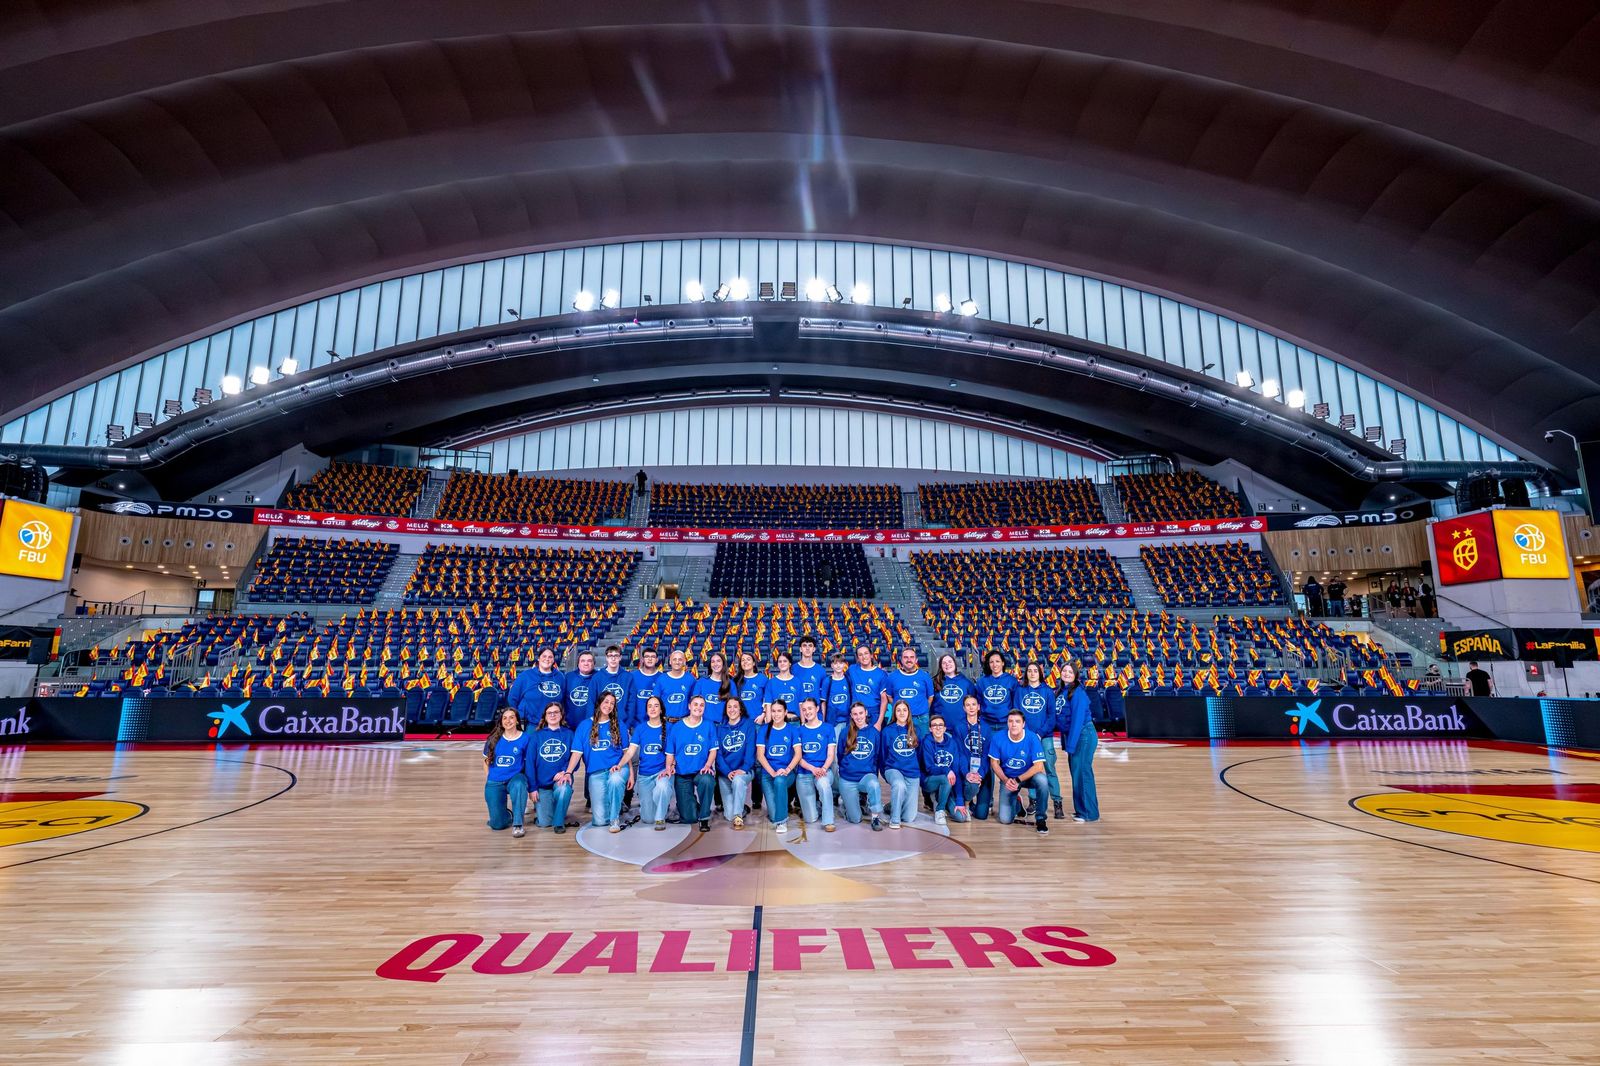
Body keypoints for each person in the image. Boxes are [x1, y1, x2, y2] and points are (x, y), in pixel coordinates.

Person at [567, 691, 636, 832]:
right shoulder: (584, 726)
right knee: (599, 821)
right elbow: (576, 753)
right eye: (606, 702)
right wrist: (568, 772)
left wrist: (630, 774)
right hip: (596, 773)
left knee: (615, 780)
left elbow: (626, 752)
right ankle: (615, 801)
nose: (609, 705)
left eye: (612, 703)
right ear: (599, 703)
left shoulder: (619, 725)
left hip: (617, 768)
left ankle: (614, 817)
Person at [987, 709, 1050, 834]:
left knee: (1043, 781)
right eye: (1010, 721)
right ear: (1007, 723)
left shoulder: (1032, 737)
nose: (1013, 724)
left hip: (1028, 777)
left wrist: (1018, 780)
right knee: (1005, 820)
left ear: (1023, 724)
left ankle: (1041, 819)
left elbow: (1038, 766)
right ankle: (1017, 802)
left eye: (1017, 721)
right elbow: (994, 763)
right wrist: (1006, 780)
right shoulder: (998, 738)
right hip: (1009, 779)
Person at [1019, 660, 1063, 820]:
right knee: (1030, 769)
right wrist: (1028, 735)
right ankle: (1033, 801)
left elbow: (1052, 717)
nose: (1032, 673)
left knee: (1050, 769)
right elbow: (1017, 713)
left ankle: (1057, 802)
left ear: (1040, 673)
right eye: (1029, 671)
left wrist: (1040, 733)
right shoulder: (1020, 691)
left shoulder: (1048, 692)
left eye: (1035, 671)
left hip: (1045, 737)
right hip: (1027, 737)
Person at [667, 694, 718, 832]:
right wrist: (669, 767)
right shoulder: (677, 727)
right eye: (695, 704)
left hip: (700, 771)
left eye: (702, 705)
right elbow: (670, 753)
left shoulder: (709, 725)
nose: (698, 707)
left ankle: (705, 817)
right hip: (682, 773)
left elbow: (713, 750)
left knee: (707, 780)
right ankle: (688, 804)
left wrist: (708, 765)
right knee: (689, 818)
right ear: (689, 706)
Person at [1056, 662, 1100, 823]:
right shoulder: (1062, 691)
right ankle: (1081, 810)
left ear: (1075, 675)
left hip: (1083, 735)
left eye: (1070, 671)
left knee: (1082, 773)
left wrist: (1071, 745)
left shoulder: (1078, 693)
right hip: (1074, 736)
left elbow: (1077, 720)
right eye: (1064, 671)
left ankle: (1089, 813)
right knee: (1077, 774)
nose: (1066, 673)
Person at [482, 706, 532, 837]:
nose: (508, 721)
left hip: (515, 777)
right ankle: (506, 815)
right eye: (505, 718)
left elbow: (529, 763)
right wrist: (489, 778)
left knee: (520, 784)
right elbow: (486, 761)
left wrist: (532, 787)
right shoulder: (493, 738)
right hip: (495, 780)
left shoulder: (525, 738)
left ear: (517, 721)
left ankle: (518, 824)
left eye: (511, 717)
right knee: (497, 825)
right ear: (501, 721)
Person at [836, 702, 885, 830]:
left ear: (866, 713)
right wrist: (847, 769)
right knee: (855, 819)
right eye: (855, 714)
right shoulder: (845, 732)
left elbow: (877, 756)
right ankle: (845, 804)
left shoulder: (874, 733)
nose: (858, 717)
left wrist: (873, 775)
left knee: (874, 784)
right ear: (851, 716)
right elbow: (840, 755)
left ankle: (875, 818)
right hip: (848, 779)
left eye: (861, 713)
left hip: (866, 776)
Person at [528, 702, 575, 833]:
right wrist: (532, 788)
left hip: (560, 779)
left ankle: (559, 823)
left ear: (561, 715)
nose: (553, 715)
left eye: (556, 712)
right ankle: (550, 812)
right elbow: (529, 764)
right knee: (544, 823)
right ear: (545, 716)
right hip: (542, 784)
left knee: (564, 788)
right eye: (550, 713)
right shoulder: (536, 736)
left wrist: (565, 771)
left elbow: (574, 759)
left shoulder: (569, 734)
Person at [756, 699, 800, 833]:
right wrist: (772, 772)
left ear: (785, 712)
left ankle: (782, 822)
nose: (776, 714)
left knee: (780, 781)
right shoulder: (764, 730)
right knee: (773, 816)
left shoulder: (792, 730)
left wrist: (786, 770)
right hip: (768, 775)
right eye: (773, 711)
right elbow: (760, 756)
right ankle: (779, 813)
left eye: (779, 711)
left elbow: (798, 754)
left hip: (786, 774)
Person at [794, 697, 837, 832]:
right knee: (810, 819)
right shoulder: (799, 731)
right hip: (805, 773)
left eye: (810, 708)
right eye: (804, 709)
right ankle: (816, 805)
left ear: (817, 708)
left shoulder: (828, 728)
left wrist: (823, 768)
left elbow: (831, 755)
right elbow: (798, 758)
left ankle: (828, 821)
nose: (807, 712)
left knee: (824, 785)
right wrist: (813, 769)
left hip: (824, 771)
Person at [879, 699, 921, 829]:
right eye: (898, 710)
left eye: (904, 710)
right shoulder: (887, 731)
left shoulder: (916, 730)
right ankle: (895, 819)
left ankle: (890, 805)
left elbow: (919, 754)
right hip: (893, 768)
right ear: (894, 713)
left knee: (909, 817)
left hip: (912, 771)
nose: (902, 713)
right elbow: (882, 754)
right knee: (899, 784)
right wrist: (885, 773)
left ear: (909, 712)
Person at [634, 696, 674, 830]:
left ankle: (660, 817)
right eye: (649, 706)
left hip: (662, 772)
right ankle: (656, 807)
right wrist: (620, 765)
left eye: (656, 705)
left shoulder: (669, 728)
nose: (652, 708)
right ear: (646, 711)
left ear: (661, 710)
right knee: (647, 819)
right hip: (644, 775)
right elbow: (630, 752)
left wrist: (670, 767)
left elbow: (674, 752)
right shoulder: (640, 729)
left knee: (662, 787)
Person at [716, 696, 756, 828]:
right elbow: (719, 754)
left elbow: (750, 751)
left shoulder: (749, 724)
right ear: (725, 710)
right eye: (729, 707)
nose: (732, 709)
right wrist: (727, 772)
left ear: (740, 710)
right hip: (725, 774)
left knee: (738, 780)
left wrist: (743, 769)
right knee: (728, 816)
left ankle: (738, 816)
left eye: (735, 707)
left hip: (744, 771)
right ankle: (741, 807)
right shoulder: (720, 728)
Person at [918, 712, 964, 825]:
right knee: (945, 778)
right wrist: (946, 770)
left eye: (940, 725)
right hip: (929, 781)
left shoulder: (952, 744)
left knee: (961, 817)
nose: (938, 727)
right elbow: (929, 768)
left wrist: (959, 801)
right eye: (934, 725)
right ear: (930, 729)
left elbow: (956, 771)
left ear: (945, 728)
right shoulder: (926, 742)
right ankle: (939, 810)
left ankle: (939, 797)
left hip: (948, 784)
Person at [951, 694, 987, 821]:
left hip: (981, 770)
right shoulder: (959, 728)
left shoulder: (986, 728)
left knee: (982, 815)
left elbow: (986, 755)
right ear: (964, 708)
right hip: (965, 769)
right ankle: (966, 803)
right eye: (967, 705)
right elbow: (959, 754)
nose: (971, 707)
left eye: (973, 704)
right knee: (971, 784)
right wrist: (967, 773)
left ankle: (970, 801)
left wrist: (980, 773)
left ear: (978, 707)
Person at [509, 646, 565, 718]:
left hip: (553, 722)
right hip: (530, 723)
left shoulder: (560, 677)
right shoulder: (525, 676)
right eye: (544, 656)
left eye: (550, 657)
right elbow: (513, 698)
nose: (547, 659)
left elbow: (563, 700)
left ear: (554, 660)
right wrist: (519, 716)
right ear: (538, 658)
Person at [890, 647, 934, 735]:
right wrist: (900, 710)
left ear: (916, 660)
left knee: (923, 745)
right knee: (903, 746)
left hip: (921, 719)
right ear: (901, 660)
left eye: (912, 657)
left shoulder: (925, 676)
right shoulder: (892, 676)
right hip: (901, 719)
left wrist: (921, 709)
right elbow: (889, 697)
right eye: (906, 657)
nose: (909, 660)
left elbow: (930, 697)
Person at [847, 644, 891, 725]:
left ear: (871, 655)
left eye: (866, 653)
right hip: (856, 714)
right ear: (857, 658)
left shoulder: (881, 674)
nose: (864, 657)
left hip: (874, 714)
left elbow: (884, 700)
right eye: (860, 655)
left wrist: (879, 722)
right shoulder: (852, 670)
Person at [977, 650, 1016, 734]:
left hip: (1006, 724)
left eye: (997, 661)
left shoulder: (1011, 681)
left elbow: (1015, 703)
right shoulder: (982, 681)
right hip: (987, 724)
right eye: (991, 662)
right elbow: (978, 702)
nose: (994, 664)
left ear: (1003, 663)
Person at [931, 653, 974, 724]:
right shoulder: (935, 683)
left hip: (962, 726)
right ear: (941, 667)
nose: (947, 664)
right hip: (941, 727)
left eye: (950, 661)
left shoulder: (966, 683)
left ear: (955, 663)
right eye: (944, 663)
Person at [627, 647, 663, 727]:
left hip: (657, 724)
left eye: (653, 657)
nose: (650, 659)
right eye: (647, 657)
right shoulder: (632, 676)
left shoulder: (663, 678)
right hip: (635, 724)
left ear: (657, 660)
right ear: (642, 659)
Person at [693, 651, 732, 724]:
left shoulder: (730, 683)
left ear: (723, 664)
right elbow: (694, 704)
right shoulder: (701, 682)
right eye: (713, 662)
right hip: (704, 726)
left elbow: (734, 705)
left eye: (718, 661)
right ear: (710, 665)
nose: (715, 664)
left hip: (724, 726)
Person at [657, 648, 696, 720]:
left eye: (680, 659)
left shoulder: (690, 679)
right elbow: (655, 700)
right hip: (665, 722)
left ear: (684, 662)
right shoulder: (661, 679)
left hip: (684, 722)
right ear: (670, 662)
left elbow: (694, 700)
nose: (677, 662)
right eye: (674, 659)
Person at [594, 645, 632, 717]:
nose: (613, 659)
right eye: (610, 655)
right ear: (606, 658)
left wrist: (627, 724)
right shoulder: (597, 677)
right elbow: (592, 702)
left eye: (616, 656)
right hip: (601, 721)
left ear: (620, 657)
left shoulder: (628, 677)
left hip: (622, 722)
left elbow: (631, 703)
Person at [563, 649, 598, 724]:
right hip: (570, 724)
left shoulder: (599, 677)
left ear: (594, 663)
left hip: (592, 724)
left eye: (589, 661)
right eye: (583, 661)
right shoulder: (569, 677)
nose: (586, 663)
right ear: (578, 664)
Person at [819, 652, 853, 724]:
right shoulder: (827, 681)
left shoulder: (848, 679)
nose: (838, 666)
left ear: (844, 664)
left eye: (840, 663)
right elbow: (823, 703)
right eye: (835, 663)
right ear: (832, 665)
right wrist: (823, 720)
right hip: (832, 720)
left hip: (847, 720)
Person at [792, 636, 827, 706]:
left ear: (814, 649)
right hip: (798, 712)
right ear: (800, 649)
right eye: (804, 646)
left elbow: (823, 698)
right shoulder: (792, 669)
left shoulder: (821, 670)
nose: (807, 648)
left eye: (810, 646)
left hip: (815, 713)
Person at [765, 651, 801, 719]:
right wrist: (769, 725)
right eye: (780, 661)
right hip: (776, 721)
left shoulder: (797, 681)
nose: (782, 663)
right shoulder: (771, 682)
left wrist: (803, 722)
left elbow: (801, 704)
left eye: (785, 661)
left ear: (790, 663)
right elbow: (768, 705)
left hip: (794, 722)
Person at [735, 652, 768, 720]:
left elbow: (768, 700)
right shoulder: (735, 680)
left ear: (753, 663)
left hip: (757, 720)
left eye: (748, 659)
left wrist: (763, 715)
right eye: (743, 660)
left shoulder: (762, 679)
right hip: (741, 721)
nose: (745, 662)